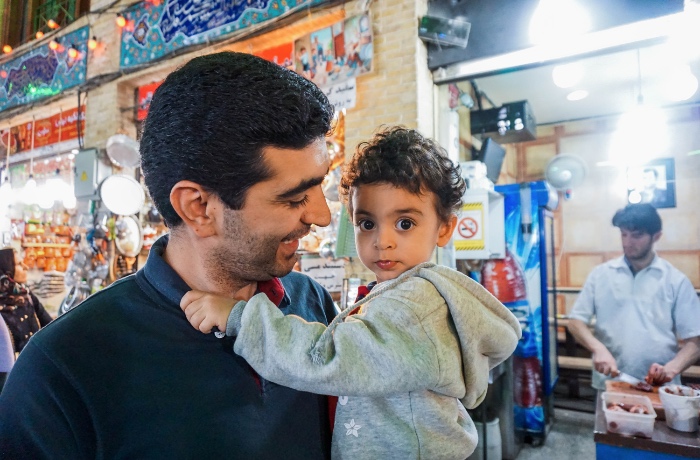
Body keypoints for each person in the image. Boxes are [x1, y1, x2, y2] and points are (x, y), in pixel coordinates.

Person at [0, 52, 337, 458]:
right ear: (198, 207)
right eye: (295, 197)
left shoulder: (310, 303)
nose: (321, 216)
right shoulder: (65, 368)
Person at [181, 127, 522, 459]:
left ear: (444, 227)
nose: (382, 240)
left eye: (405, 223)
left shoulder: (417, 305)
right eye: (367, 223)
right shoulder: (397, 291)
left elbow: (329, 358)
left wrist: (239, 315)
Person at [567, 203, 700, 390]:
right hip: (610, 381)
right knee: (610, 419)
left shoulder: (674, 280)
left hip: (660, 386)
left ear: (657, 236)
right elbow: (575, 322)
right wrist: (598, 349)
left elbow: (695, 341)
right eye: (624, 234)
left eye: (637, 235)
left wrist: (670, 369)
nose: (628, 242)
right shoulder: (601, 275)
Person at [0, 247, 52, 353]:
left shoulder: (27, 297)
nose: (26, 267)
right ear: (7, 271)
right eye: (19, 264)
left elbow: (50, 326)